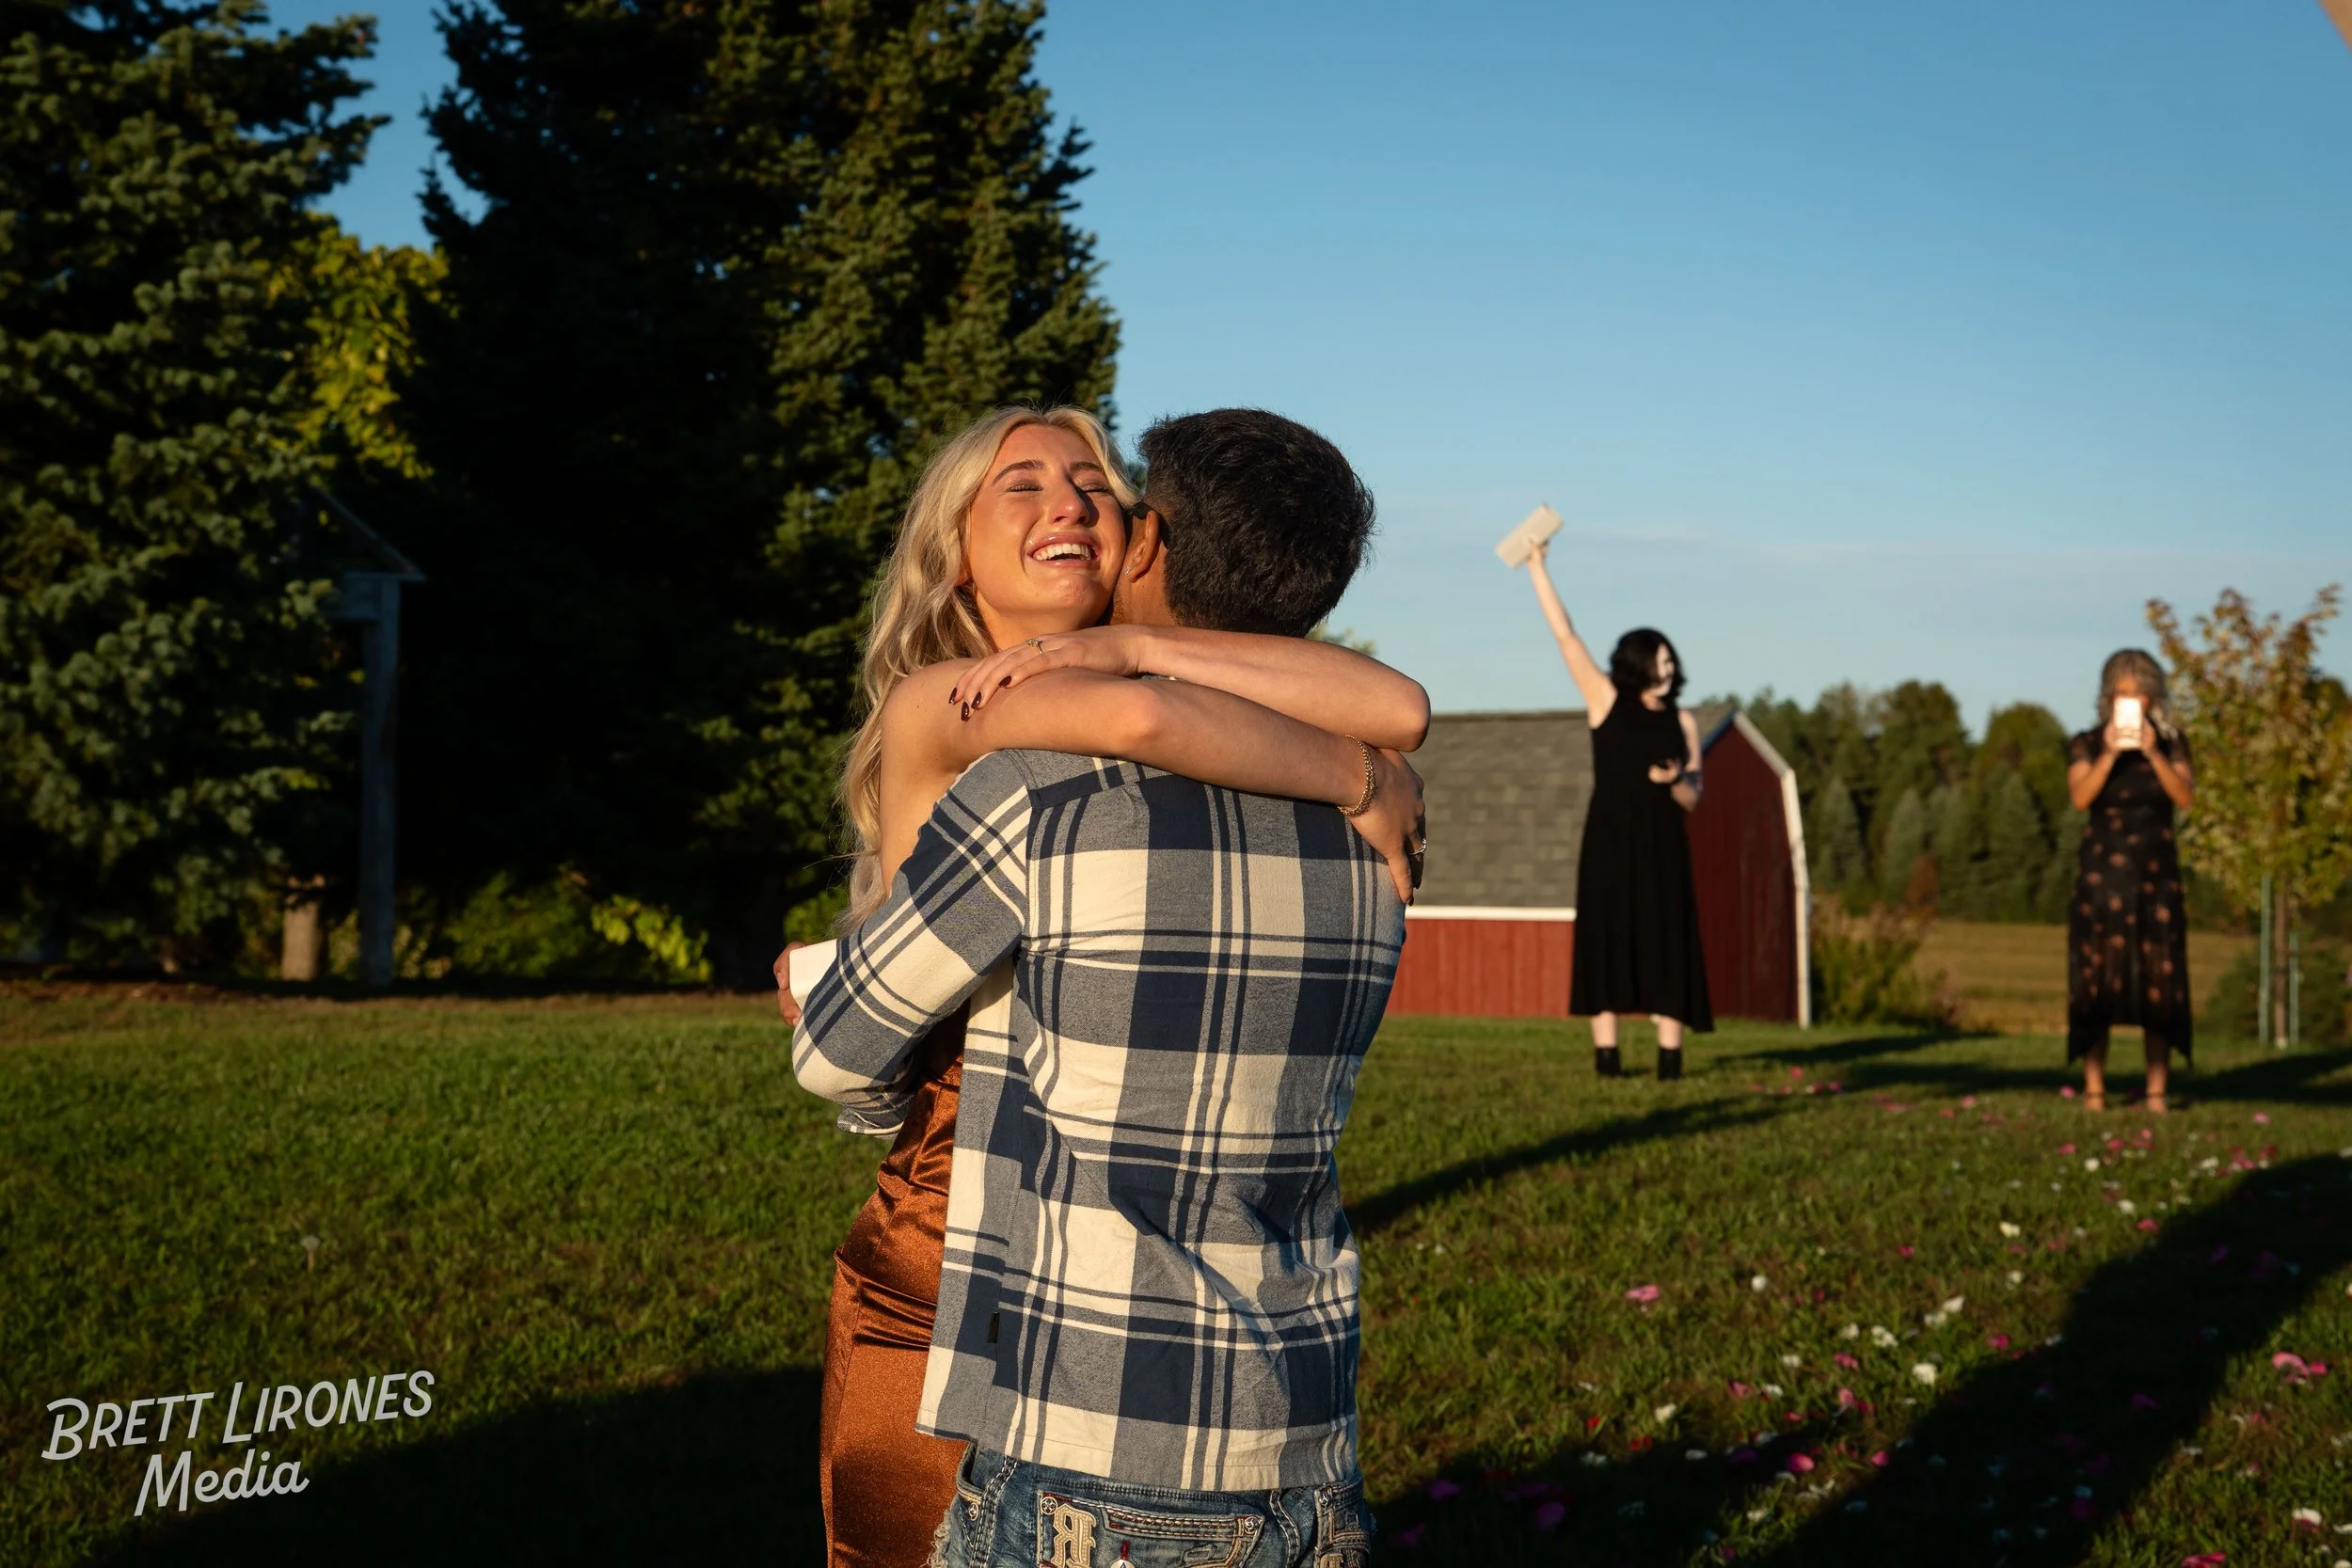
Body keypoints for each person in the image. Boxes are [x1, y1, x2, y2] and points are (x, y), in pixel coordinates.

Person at [777, 405, 1426, 1568]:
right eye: (1018, 487)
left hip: (1052, 1251)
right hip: (944, 1230)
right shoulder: (952, 699)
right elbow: (1152, 713)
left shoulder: (1167, 707)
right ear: (952, 551)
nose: (1071, 501)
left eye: (1092, 482)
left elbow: (1395, 705)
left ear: (1142, 534)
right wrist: (1353, 775)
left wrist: (1153, 652)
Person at [1514, 539, 1712, 1077]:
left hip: (1664, 845)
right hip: (1610, 841)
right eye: (1660, 660)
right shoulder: (1605, 702)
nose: (1669, 669)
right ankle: (1608, 1059)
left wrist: (1673, 781)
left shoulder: (1685, 722)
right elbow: (1566, 636)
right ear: (1637, 664)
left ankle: (1671, 1060)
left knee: (1668, 938)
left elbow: (1694, 798)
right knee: (1608, 937)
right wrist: (1538, 568)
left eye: (1672, 661)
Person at [2065, 648, 2195, 1113]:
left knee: (2159, 981)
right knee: (2095, 979)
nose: (2131, 700)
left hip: (2156, 878)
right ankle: (2095, 1089)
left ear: (2152, 696)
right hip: (2103, 878)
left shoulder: (2172, 742)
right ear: (2108, 697)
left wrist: (2152, 752)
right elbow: (2081, 797)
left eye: (2139, 692)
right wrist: (2108, 754)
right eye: (2122, 692)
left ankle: (2156, 1092)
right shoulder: (2085, 743)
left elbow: (2184, 796)